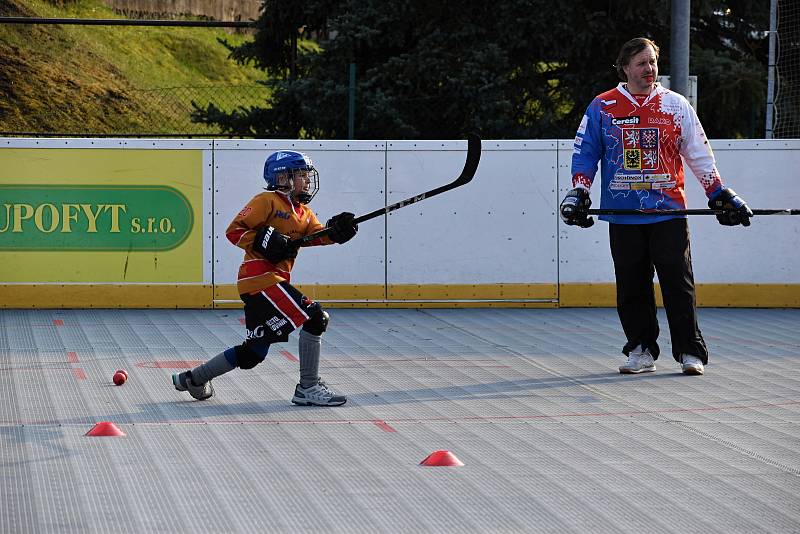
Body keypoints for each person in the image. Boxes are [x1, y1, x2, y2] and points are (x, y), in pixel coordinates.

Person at [560, 37, 753, 376]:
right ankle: (640, 349)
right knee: (631, 285)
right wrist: (580, 191)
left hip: (668, 210)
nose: (649, 70)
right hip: (624, 213)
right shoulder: (602, 106)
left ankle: (690, 353)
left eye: (652, 62)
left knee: (678, 282)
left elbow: (697, 152)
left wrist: (718, 193)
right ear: (624, 68)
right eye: (641, 64)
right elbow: (586, 152)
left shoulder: (675, 105)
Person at [173, 150, 358, 405]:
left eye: (307, 175)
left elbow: (317, 235)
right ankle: (308, 387)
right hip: (261, 280)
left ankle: (193, 379)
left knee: (253, 354)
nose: (306, 181)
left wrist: (337, 230)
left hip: (269, 284)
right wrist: (262, 241)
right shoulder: (267, 200)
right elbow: (234, 231)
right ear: (283, 177)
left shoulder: (303, 212)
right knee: (316, 317)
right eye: (301, 175)